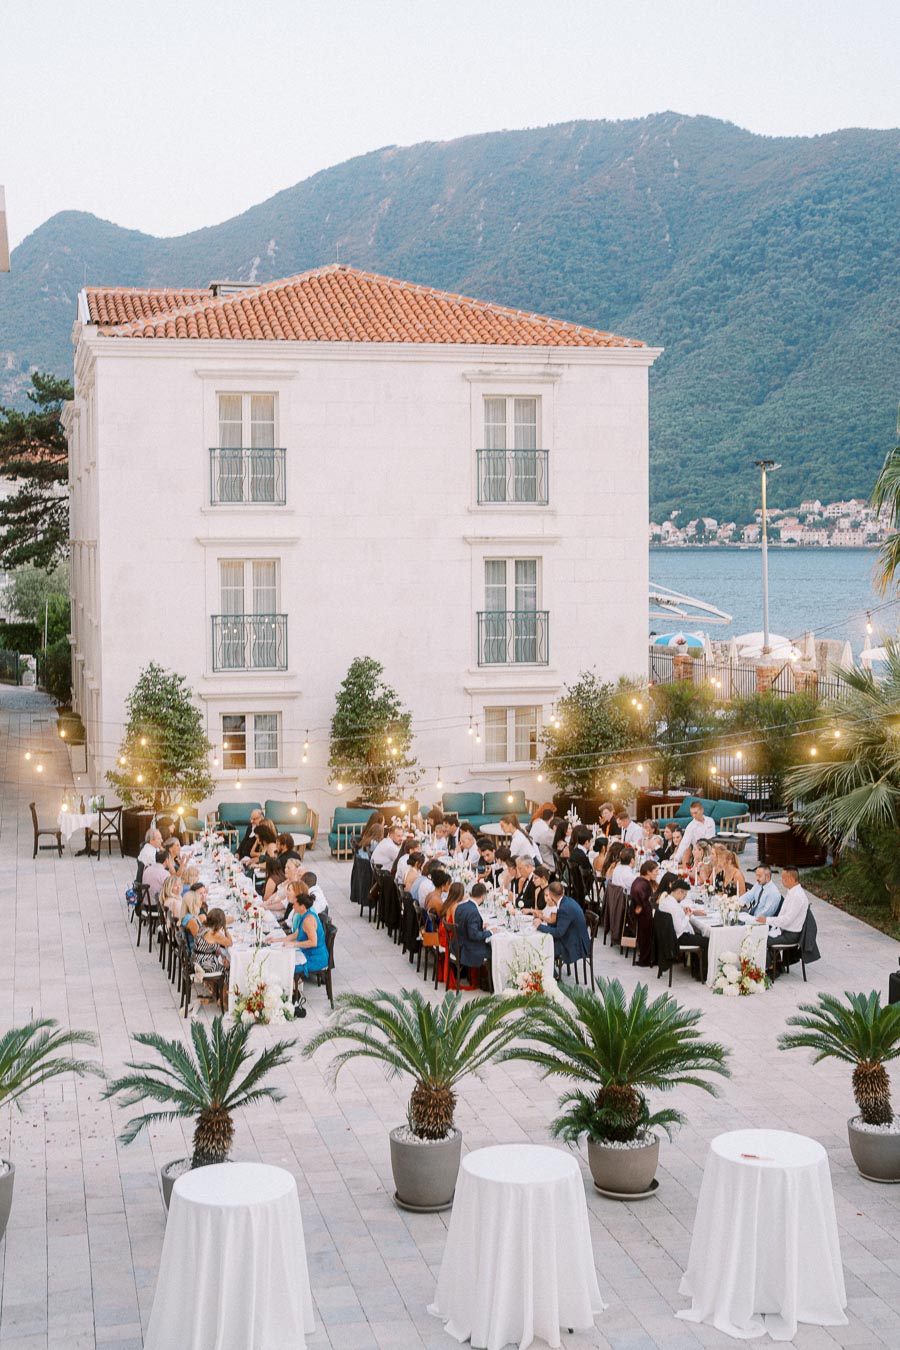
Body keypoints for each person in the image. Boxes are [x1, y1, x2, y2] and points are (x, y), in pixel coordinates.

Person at [271, 884, 329, 980]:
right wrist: (276, 940)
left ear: (302, 906)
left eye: (295, 904)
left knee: (284, 965)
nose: (293, 906)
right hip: (307, 953)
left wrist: (293, 944)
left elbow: (313, 942)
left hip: (315, 959)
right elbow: (295, 935)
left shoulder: (308, 920)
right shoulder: (303, 915)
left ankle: (294, 986)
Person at [535, 881, 590, 965]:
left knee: (544, 951)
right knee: (544, 943)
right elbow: (560, 923)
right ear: (563, 891)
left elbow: (558, 932)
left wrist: (540, 926)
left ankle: (552, 972)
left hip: (575, 944)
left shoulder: (564, 908)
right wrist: (544, 925)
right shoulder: (567, 900)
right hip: (574, 936)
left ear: (551, 895)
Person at [756, 866, 808, 947]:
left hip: (790, 934)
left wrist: (767, 920)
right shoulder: (792, 891)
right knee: (757, 934)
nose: (782, 880)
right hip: (782, 929)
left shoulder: (797, 896)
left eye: (783, 878)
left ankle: (768, 956)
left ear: (791, 879)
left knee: (761, 941)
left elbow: (786, 920)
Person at [657, 879, 709, 957]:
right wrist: (687, 916)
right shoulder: (673, 906)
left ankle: (695, 963)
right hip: (678, 937)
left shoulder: (666, 901)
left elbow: (675, 914)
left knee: (699, 934)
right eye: (684, 895)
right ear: (679, 892)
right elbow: (679, 929)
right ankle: (704, 965)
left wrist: (686, 912)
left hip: (668, 936)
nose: (684, 898)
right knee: (708, 941)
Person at [192, 907, 233, 999]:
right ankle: (223, 999)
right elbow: (229, 943)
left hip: (197, 959)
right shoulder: (213, 934)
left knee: (224, 958)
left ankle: (215, 992)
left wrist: (222, 956)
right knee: (229, 967)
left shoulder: (204, 927)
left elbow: (212, 947)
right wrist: (226, 928)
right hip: (204, 964)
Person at [452, 886, 492, 973]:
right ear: (483, 896)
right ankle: (490, 979)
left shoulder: (460, 906)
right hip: (468, 949)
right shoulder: (473, 912)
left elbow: (464, 924)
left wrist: (480, 926)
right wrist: (490, 932)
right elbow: (474, 935)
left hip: (457, 945)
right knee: (494, 951)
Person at [629, 860, 658, 966]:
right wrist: (640, 905)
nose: (657, 873)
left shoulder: (641, 881)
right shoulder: (642, 884)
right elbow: (638, 893)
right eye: (655, 871)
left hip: (642, 915)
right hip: (644, 917)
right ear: (648, 872)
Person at [673, 800, 716, 864]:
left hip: (710, 849)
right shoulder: (690, 827)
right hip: (698, 852)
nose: (693, 815)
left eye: (695, 813)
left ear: (702, 810)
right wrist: (676, 858)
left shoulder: (710, 821)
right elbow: (684, 843)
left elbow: (711, 838)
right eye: (692, 813)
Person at [180, 887, 208, 953]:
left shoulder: (188, 915)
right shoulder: (191, 920)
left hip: (195, 948)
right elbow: (200, 941)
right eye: (199, 900)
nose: (201, 902)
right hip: (196, 953)